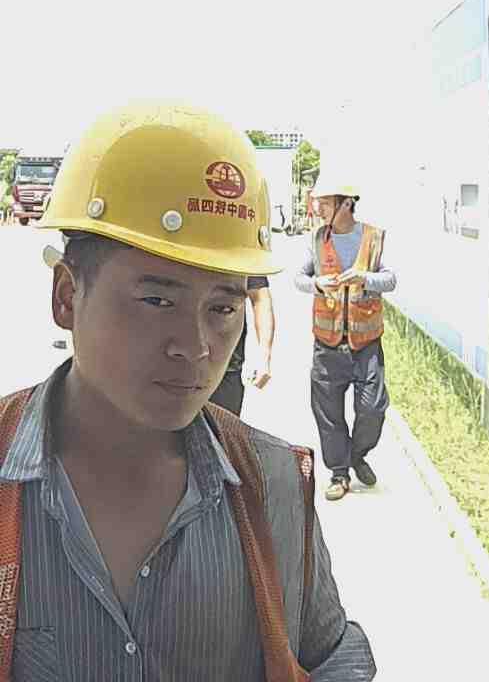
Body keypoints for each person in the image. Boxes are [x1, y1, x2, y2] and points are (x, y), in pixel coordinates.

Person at [0, 103, 375, 681]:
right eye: (157, 300)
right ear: (67, 296)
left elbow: (332, 660)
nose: (196, 347)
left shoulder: (273, 485)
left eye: (222, 309)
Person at [295, 177, 396, 502]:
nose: (318, 209)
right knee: (328, 413)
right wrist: (317, 284)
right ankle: (339, 473)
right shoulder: (317, 239)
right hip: (327, 345)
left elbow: (391, 279)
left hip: (366, 345)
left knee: (372, 408)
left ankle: (357, 454)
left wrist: (365, 278)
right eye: (318, 202)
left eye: (325, 203)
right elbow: (299, 278)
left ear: (346, 204)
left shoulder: (373, 237)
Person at [210, 275, 274, 416]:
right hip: (173, 362)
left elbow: (260, 297)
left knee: (222, 427)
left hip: (225, 368)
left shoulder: (245, 259)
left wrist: (264, 357)